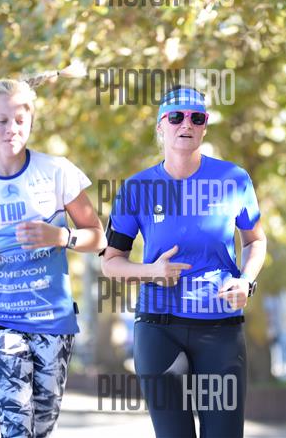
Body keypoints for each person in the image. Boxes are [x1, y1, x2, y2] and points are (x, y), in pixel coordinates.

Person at [0, 64, 105, 437]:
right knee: (16, 426)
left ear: (31, 123)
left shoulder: (58, 171)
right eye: (1, 121)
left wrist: (60, 237)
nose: (11, 128)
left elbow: (98, 237)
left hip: (52, 320)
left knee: (41, 426)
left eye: (19, 120)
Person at [101, 86, 267, 438]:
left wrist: (246, 282)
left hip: (220, 327)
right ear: (160, 126)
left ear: (205, 127)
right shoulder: (136, 189)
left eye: (196, 118)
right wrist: (151, 272)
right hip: (159, 327)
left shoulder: (233, 179)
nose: (186, 124)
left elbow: (255, 241)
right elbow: (111, 263)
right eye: (176, 117)